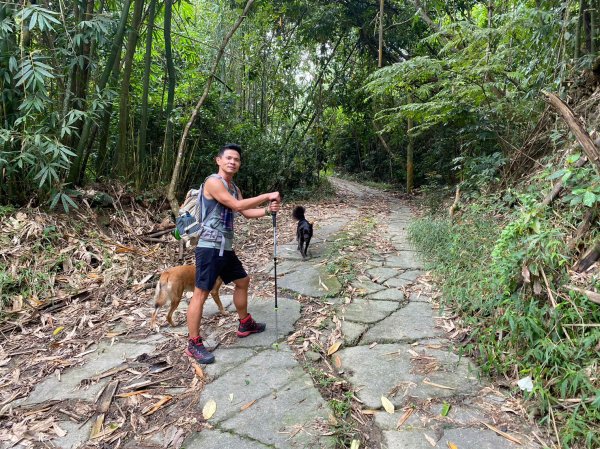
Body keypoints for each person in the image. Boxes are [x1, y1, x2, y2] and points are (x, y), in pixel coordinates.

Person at [186, 143, 281, 364]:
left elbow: (246, 212)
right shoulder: (213, 182)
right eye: (228, 158)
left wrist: (267, 211)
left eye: (236, 159)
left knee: (243, 281)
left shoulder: (234, 187)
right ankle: (193, 343)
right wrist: (267, 195)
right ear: (218, 160)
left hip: (225, 247)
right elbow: (237, 206)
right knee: (201, 293)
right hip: (209, 247)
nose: (232, 162)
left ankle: (244, 322)